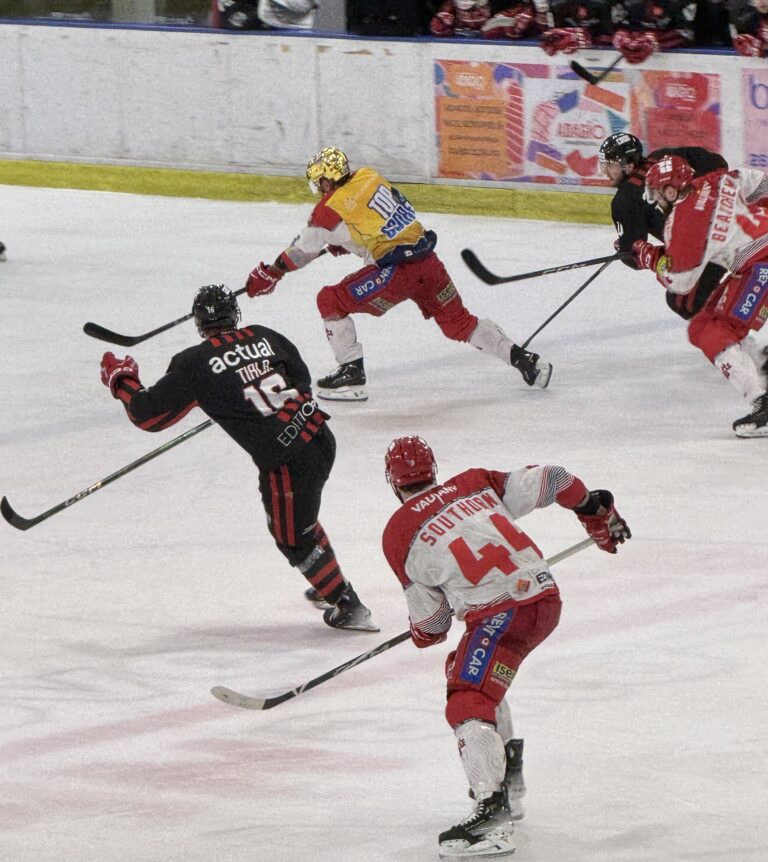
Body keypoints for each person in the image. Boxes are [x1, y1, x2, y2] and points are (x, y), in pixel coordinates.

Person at [381, 435, 630, 858]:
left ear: (393, 482)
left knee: (467, 698)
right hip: (545, 601)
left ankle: (491, 812)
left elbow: (433, 624)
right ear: (434, 470)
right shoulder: (474, 482)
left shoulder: (398, 533)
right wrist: (595, 512)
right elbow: (555, 478)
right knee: (468, 671)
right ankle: (509, 780)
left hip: (502, 615)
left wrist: (422, 633)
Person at [99, 284, 379, 631]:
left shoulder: (194, 364)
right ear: (236, 315)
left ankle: (348, 605)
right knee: (301, 519)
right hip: (320, 438)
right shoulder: (267, 336)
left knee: (293, 537)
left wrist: (121, 380)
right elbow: (301, 381)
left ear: (200, 325)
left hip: (286, 462)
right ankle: (326, 580)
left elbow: (148, 415)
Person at [244, 147, 552, 402]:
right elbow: (384, 215)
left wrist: (271, 272)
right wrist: (349, 242)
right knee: (460, 323)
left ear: (327, 181)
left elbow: (302, 251)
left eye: (319, 182)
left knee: (329, 300)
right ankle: (525, 361)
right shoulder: (369, 175)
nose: (318, 190)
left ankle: (351, 372)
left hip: (395, 273)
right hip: (429, 264)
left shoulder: (328, 208)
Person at [632, 156, 768, 437]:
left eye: (658, 193)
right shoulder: (718, 178)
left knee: (706, 328)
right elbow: (762, 184)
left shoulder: (680, 223)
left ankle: (760, 401)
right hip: (757, 259)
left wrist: (650, 257)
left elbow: (680, 284)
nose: (657, 201)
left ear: (671, 190)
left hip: (761, 264)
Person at [598, 132, 729, 320]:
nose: (605, 172)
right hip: (732, 220)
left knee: (683, 302)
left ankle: (729, 336)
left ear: (627, 165)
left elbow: (633, 255)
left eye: (610, 165)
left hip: (705, 250)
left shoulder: (624, 201)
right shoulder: (664, 156)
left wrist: (623, 249)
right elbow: (718, 163)